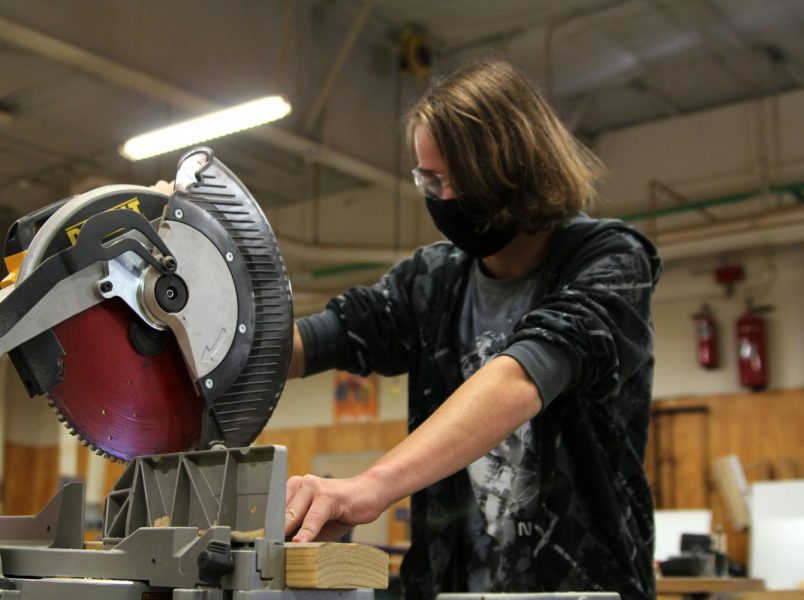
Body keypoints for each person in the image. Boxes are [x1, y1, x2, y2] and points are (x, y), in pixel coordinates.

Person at [283, 58, 661, 599]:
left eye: (464, 180)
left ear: (519, 168)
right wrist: (206, 301)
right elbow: (308, 342)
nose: (446, 198)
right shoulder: (429, 282)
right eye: (431, 180)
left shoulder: (610, 260)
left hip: (584, 586)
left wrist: (371, 487)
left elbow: (523, 376)